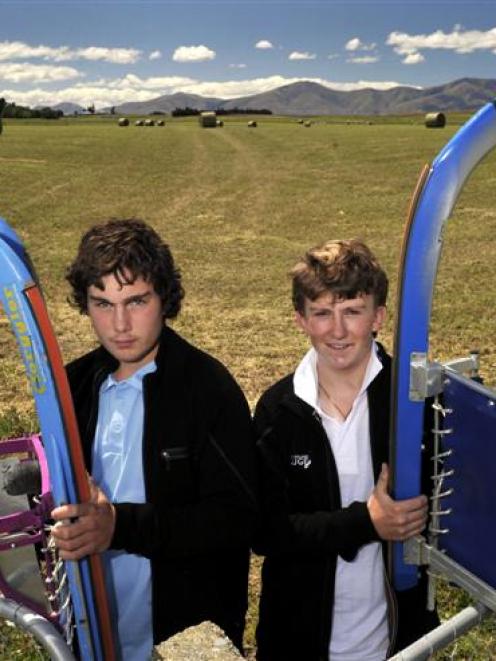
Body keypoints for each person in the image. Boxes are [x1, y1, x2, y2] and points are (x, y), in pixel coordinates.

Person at [51, 218, 256, 660]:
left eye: (136, 301)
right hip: (92, 634)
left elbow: (238, 519)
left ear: (164, 297)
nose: (119, 324)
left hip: (180, 639)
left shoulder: (208, 389)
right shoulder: (73, 386)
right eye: (102, 304)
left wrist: (119, 526)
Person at [253, 239, 439, 661]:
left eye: (352, 311)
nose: (337, 331)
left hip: (394, 641)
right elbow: (265, 531)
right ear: (301, 319)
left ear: (378, 317)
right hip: (297, 640)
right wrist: (366, 522)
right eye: (322, 313)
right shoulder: (278, 409)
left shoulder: (411, 402)